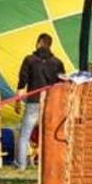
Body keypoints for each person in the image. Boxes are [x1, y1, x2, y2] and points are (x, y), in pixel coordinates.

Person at [15, 33, 65, 171]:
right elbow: (62, 84)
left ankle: (22, 165)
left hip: (33, 102)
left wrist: (18, 101)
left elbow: (22, 82)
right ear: (50, 44)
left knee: (25, 134)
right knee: (50, 136)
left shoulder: (29, 60)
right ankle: (49, 165)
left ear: (39, 43)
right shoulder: (57, 63)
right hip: (51, 103)